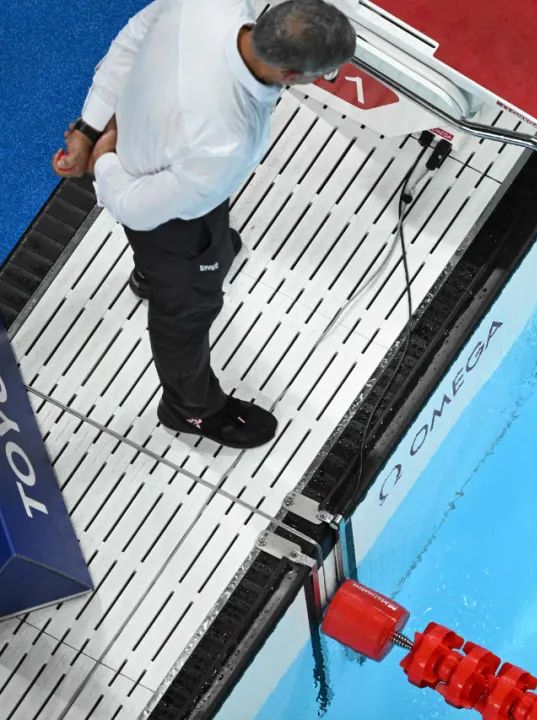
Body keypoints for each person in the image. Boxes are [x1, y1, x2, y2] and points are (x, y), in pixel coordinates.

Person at [51, 0, 356, 449]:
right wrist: (103, 160)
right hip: (161, 212)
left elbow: (134, 36)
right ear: (291, 75)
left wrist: (90, 127)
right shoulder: (226, 141)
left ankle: (152, 275)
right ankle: (190, 409)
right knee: (186, 313)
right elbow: (135, 209)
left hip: (160, 161)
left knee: (206, 243)